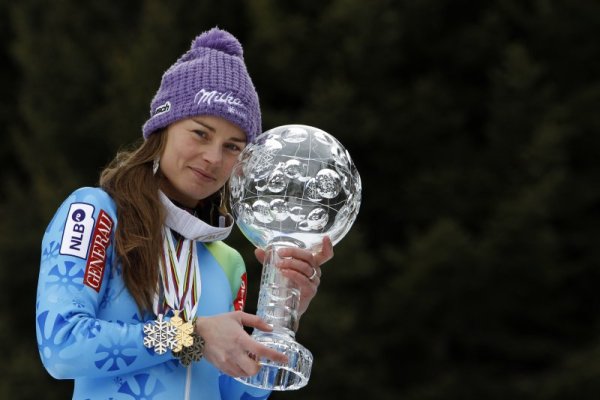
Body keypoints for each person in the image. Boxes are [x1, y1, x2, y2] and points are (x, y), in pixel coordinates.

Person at [35, 27, 333, 400]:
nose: (213, 158)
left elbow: (236, 394)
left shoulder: (228, 261)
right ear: (163, 127)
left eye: (232, 147)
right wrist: (189, 334)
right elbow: (61, 346)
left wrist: (284, 315)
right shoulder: (96, 214)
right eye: (200, 133)